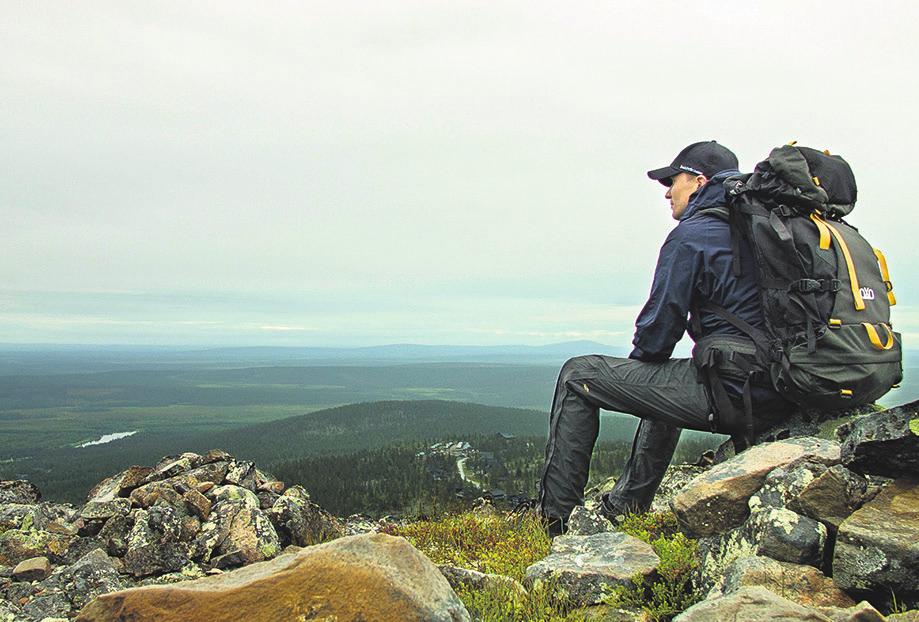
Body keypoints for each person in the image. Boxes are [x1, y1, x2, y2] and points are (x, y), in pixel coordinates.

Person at [537, 140, 789, 535]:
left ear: (700, 180)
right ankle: (626, 505)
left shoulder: (693, 234)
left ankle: (557, 524)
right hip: (789, 382)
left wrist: (636, 372)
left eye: (673, 180)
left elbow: (658, 333)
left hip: (746, 392)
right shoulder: (764, 230)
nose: (668, 192)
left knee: (577, 374)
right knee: (664, 379)